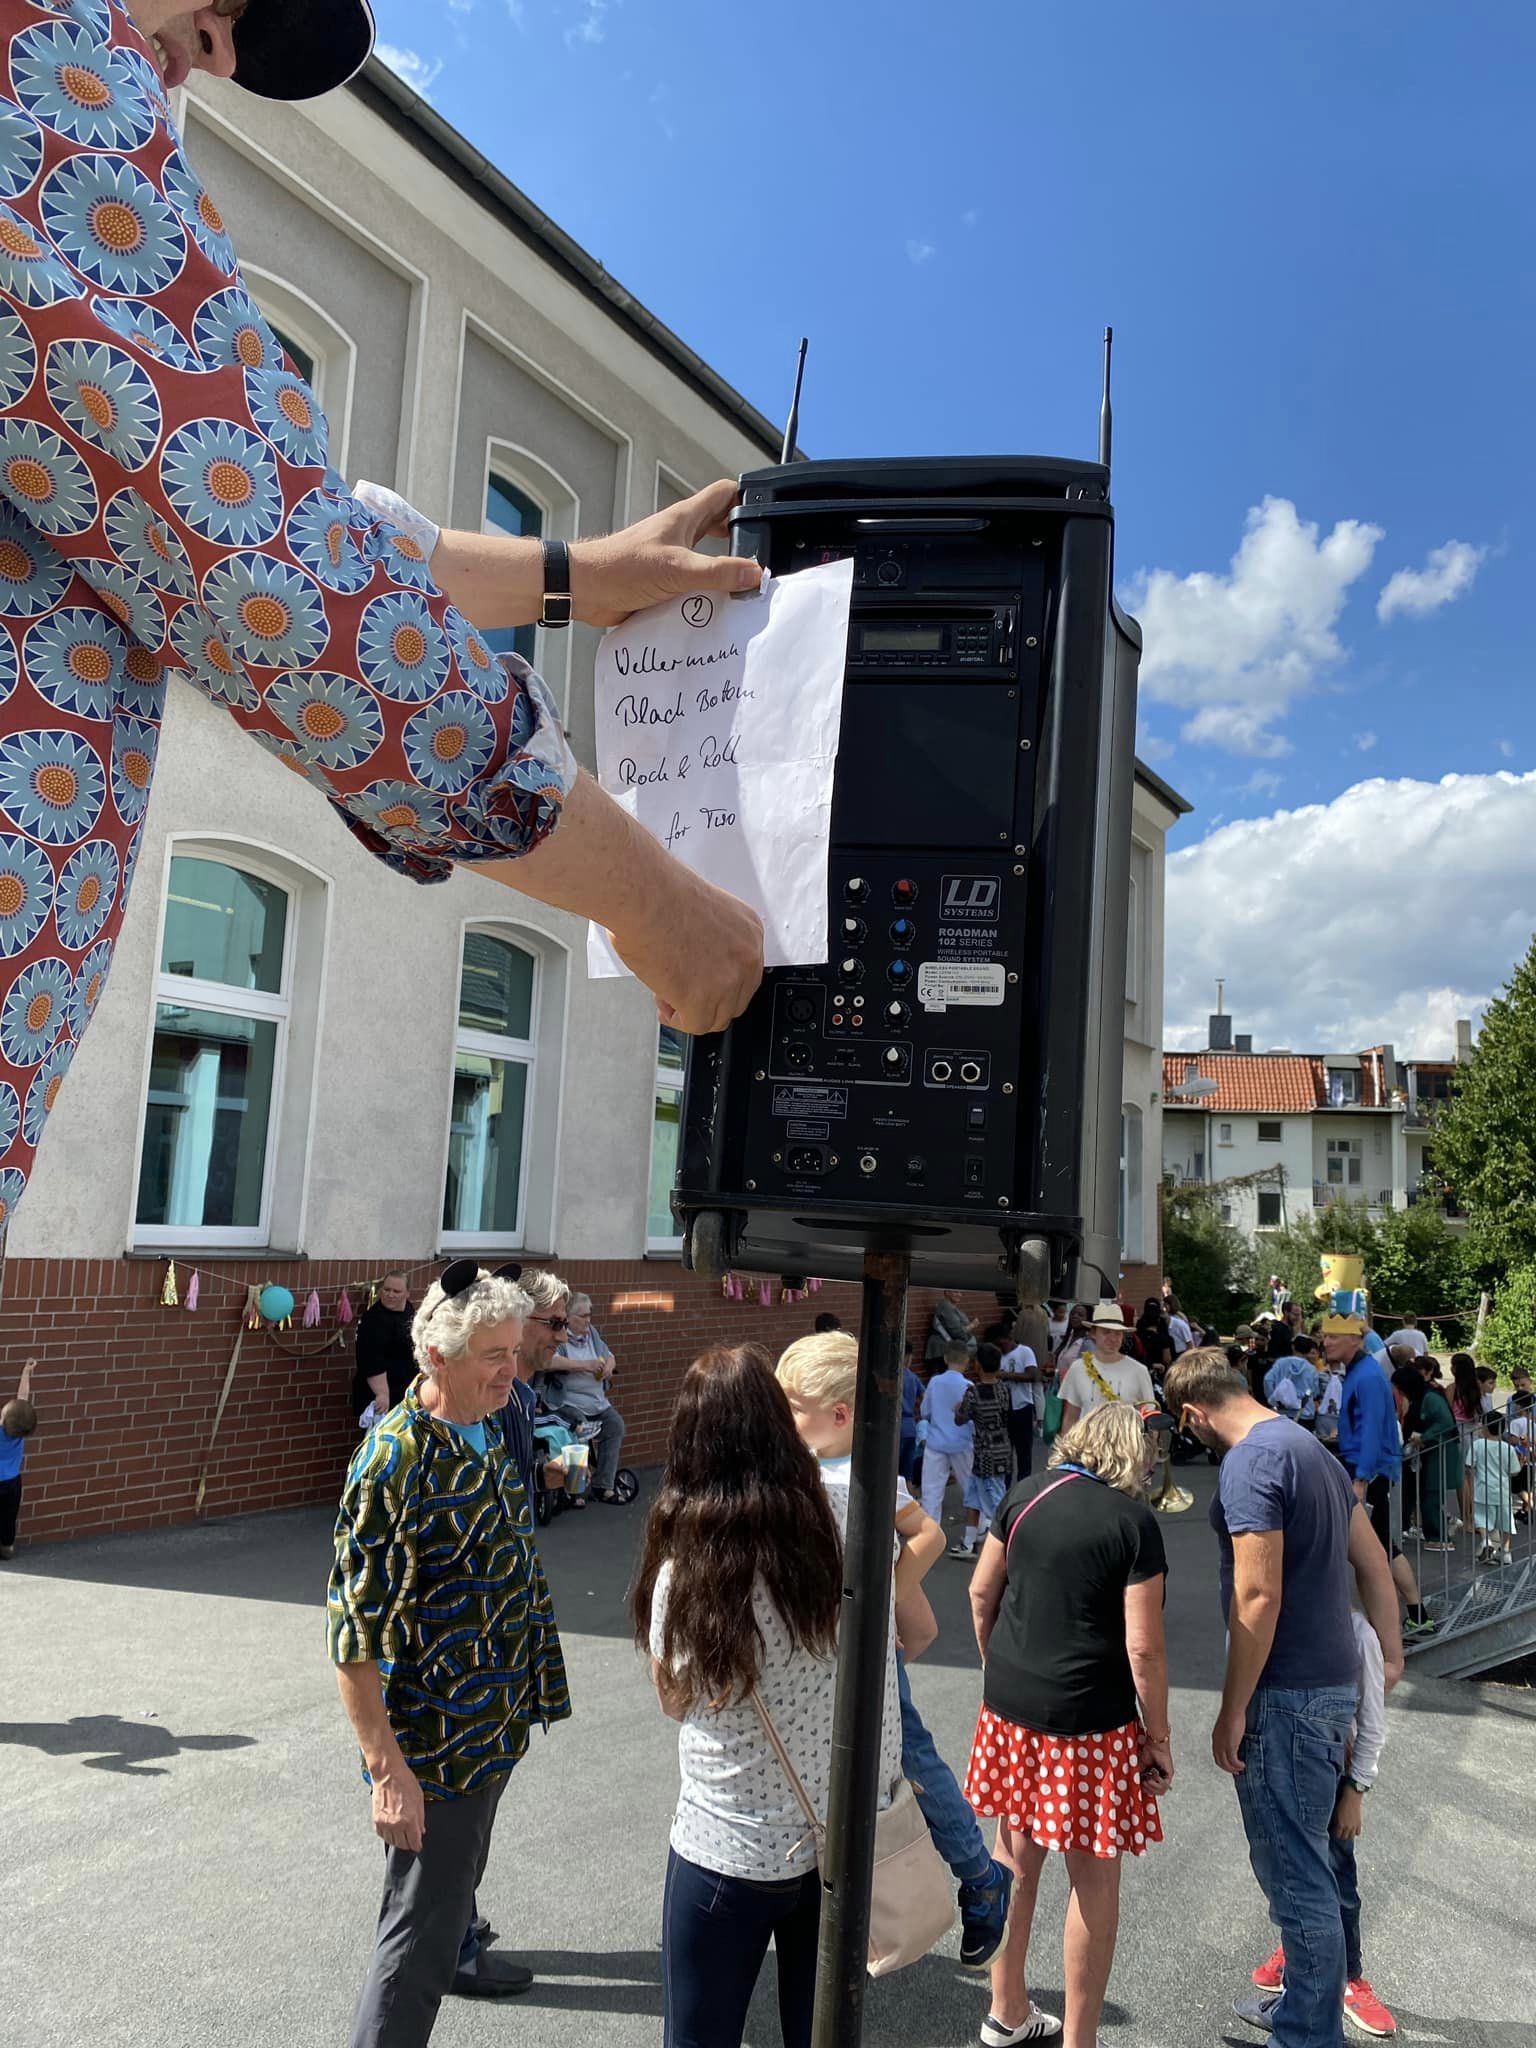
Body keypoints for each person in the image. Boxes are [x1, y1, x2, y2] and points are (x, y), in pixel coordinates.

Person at [0, 2, 771, 1247]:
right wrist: (653, 900)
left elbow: (263, 515)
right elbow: (280, 577)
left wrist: (573, 575)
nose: (225, 47)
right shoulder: (37, 58)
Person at [329, 1265, 570, 2044]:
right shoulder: (394, 1461)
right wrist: (387, 1772)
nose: (512, 1368)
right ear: (436, 1356)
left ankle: (457, 1954)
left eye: (514, 1350)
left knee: (438, 1915)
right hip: (436, 1750)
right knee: (415, 1948)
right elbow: (353, 1637)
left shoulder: (486, 1422)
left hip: (492, 1728)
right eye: (493, 1355)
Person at [634, 1344, 900, 2048]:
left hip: (730, 1840)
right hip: (842, 1830)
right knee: (821, 2031)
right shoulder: (852, 1518)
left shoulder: (688, 1570)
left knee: (700, 2035)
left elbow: (675, 1701)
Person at [1161, 1348, 1403, 2048]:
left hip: (1286, 1692)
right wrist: (1390, 1654)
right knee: (1315, 1865)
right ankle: (1306, 2010)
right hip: (1329, 1682)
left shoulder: (1250, 1462)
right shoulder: (1309, 1448)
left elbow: (1257, 1594)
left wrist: (1232, 1707)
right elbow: (1373, 1560)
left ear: (1193, 1413)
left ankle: (1306, 2033)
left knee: (1298, 1880)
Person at [775, 1330, 1014, 1970]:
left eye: (793, 1406)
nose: (782, 1417)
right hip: (836, 1645)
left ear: (840, 1414)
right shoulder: (809, 1465)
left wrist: (878, 1607)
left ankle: (980, 1875)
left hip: (860, 1647)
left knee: (907, 1755)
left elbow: (928, 1535)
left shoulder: (864, 1473)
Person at [963, 1403, 1173, 2048]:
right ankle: (1079, 2041)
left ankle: (1006, 2008)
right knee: (1094, 1875)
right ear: (1129, 1452)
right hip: (1091, 1721)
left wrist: (997, 1666)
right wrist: (1157, 1738)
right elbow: (1144, 1647)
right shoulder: (1133, 1522)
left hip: (1011, 1706)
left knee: (1013, 1857)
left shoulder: (1025, 1494)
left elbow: (980, 1592)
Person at [1247, 1593, 1398, 2040]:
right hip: (1297, 1767)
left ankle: (1348, 1977)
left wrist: (1356, 1790)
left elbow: (1372, 1722)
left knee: (1338, 1880)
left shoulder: (1359, 1635)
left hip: (1337, 1775)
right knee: (1296, 1876)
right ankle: (1301, 1960)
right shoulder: (1290, 1623)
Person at [1327, 1314, 1434, 1640]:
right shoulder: (1359, 1371)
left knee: (1378, 1551)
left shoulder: (1368, 1375)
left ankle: (1411, 1618)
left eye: (1334, 1336)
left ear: (1355, 1340)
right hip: (1363, 1468)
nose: (1326, 1342)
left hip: (1369, 1474)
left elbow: (1373, 1430)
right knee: (1373, 1550)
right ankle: (1405, 1618)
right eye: (1326, 1336)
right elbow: (1364, 1424)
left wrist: (1361, 1479)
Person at [544, 1288, 627, 1502]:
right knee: (579, 1426)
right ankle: (575, 1489)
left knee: (615, 1425)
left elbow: (610, 1355)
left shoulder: (592, 1335)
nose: (588, 1320)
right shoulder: (560, 1337)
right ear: (569, 1317)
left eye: (590, 1315)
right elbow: (549, 1361)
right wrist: (585, 1365)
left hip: (597, 1403)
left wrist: (608, 1366)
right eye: (583, 1316)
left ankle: (603, 1485)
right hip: (568, 1403)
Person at [955, 1343, 1014, 1561]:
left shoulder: (973, 1393)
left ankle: (1004, 1547)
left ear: (977, 1365)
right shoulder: (1004, 1390)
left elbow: (961, 1418)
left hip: (983, 1452)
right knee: (975, 1497)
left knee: (994, 1502)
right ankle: (969, 1542)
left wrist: (958, 1409)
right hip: (1001, 1448)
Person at [1395, 1361, 1461, 1550]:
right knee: (1427, 1492)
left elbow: (1446, 1422)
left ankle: (1439, 1537)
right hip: (1429, 1450)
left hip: (1439, 1450)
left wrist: (1424, 1437)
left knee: (1432, 1493)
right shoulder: (1423, 1396)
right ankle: (1435, 1534)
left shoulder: (1430, 1397)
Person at [1057, 1303, 1155, 1432]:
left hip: (1124, 1444)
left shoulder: (1139, 1371)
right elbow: (1070, 1417)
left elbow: (1149, 1417)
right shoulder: (1078, 1368)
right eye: (1106, 1332)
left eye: (1117, 1333)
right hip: (1086, 1443)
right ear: (1093, 1333)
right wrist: (1065, 1444)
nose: (1112, 1339)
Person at [921, 1341, 976, 1527]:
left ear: (945, 1358)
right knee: (970, 1487)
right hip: (962, 1442)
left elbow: (925, 1411)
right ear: (967, 1360)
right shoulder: (969, 1385)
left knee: (931, 1492)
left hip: (936, 1442)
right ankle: (979, 1528)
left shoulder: (934, 1382)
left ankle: (930, 1533)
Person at [351, 1273, 417, 1425]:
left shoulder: (409, 1311)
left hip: (404, 1390)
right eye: (387, 1290)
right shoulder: (373, 1320)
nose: (390, 1295)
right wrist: (382, 1393)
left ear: (407, 1293)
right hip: (381, 1393)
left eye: (396, 1291)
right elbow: (371, 1360)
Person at [1470, 1411, 1520, 1567]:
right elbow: (1514, 1471)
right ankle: (1505, 1552)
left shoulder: (1477, 1444)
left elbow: (1469, 1464)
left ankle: (1486, 1540)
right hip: (1502, 1490)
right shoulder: (1508, 1448)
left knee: (1482, 1517)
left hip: (1482, 1488)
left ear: (1485, 1428)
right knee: (1505, 1521)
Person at [0, 1356, 37, 1559]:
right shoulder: (19, 1432)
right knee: (8, 1517)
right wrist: (26, 1372)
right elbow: (23, 1398)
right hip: (13, 1483)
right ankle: (7, 1547)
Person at [999, 1324, 1042, 1480]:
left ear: (1009, 1338)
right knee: (1005, 1452)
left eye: (1002, 1344)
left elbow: (1032, 1375)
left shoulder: (1024, 1351)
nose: (1001, 1348)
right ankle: (1006, 1485)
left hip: (1022, 1406)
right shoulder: (999, 1356)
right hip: (1004, 1408)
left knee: (1024, 1451)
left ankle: (1024, 1484)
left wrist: (1006, 1375)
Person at [1263, 1334, 1319, 1427]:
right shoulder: (1311, 1369)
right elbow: (1314, 1391)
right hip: (1304, 1412)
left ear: (1293, 1347)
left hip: (1282, 1411)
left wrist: (1272, 1399)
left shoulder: (1281, 1363)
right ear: (1309, 1350)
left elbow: (1267, 1380)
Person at [928, 1287, 979, 1364]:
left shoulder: (950, 1306)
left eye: (960, 1292)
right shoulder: (946, 1307)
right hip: (944, 1352)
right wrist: (972, 1325)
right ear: (947, 1292)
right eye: (956, 1292)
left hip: (950, 1350)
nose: (959, 1294)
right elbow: (957, 1332)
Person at [1136, 1299, 1174, 1374]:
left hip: (1145, 1368)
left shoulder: (1140, 1326)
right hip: (1157, 1368)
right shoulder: (1164, 1337)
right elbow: (1167, 1359)